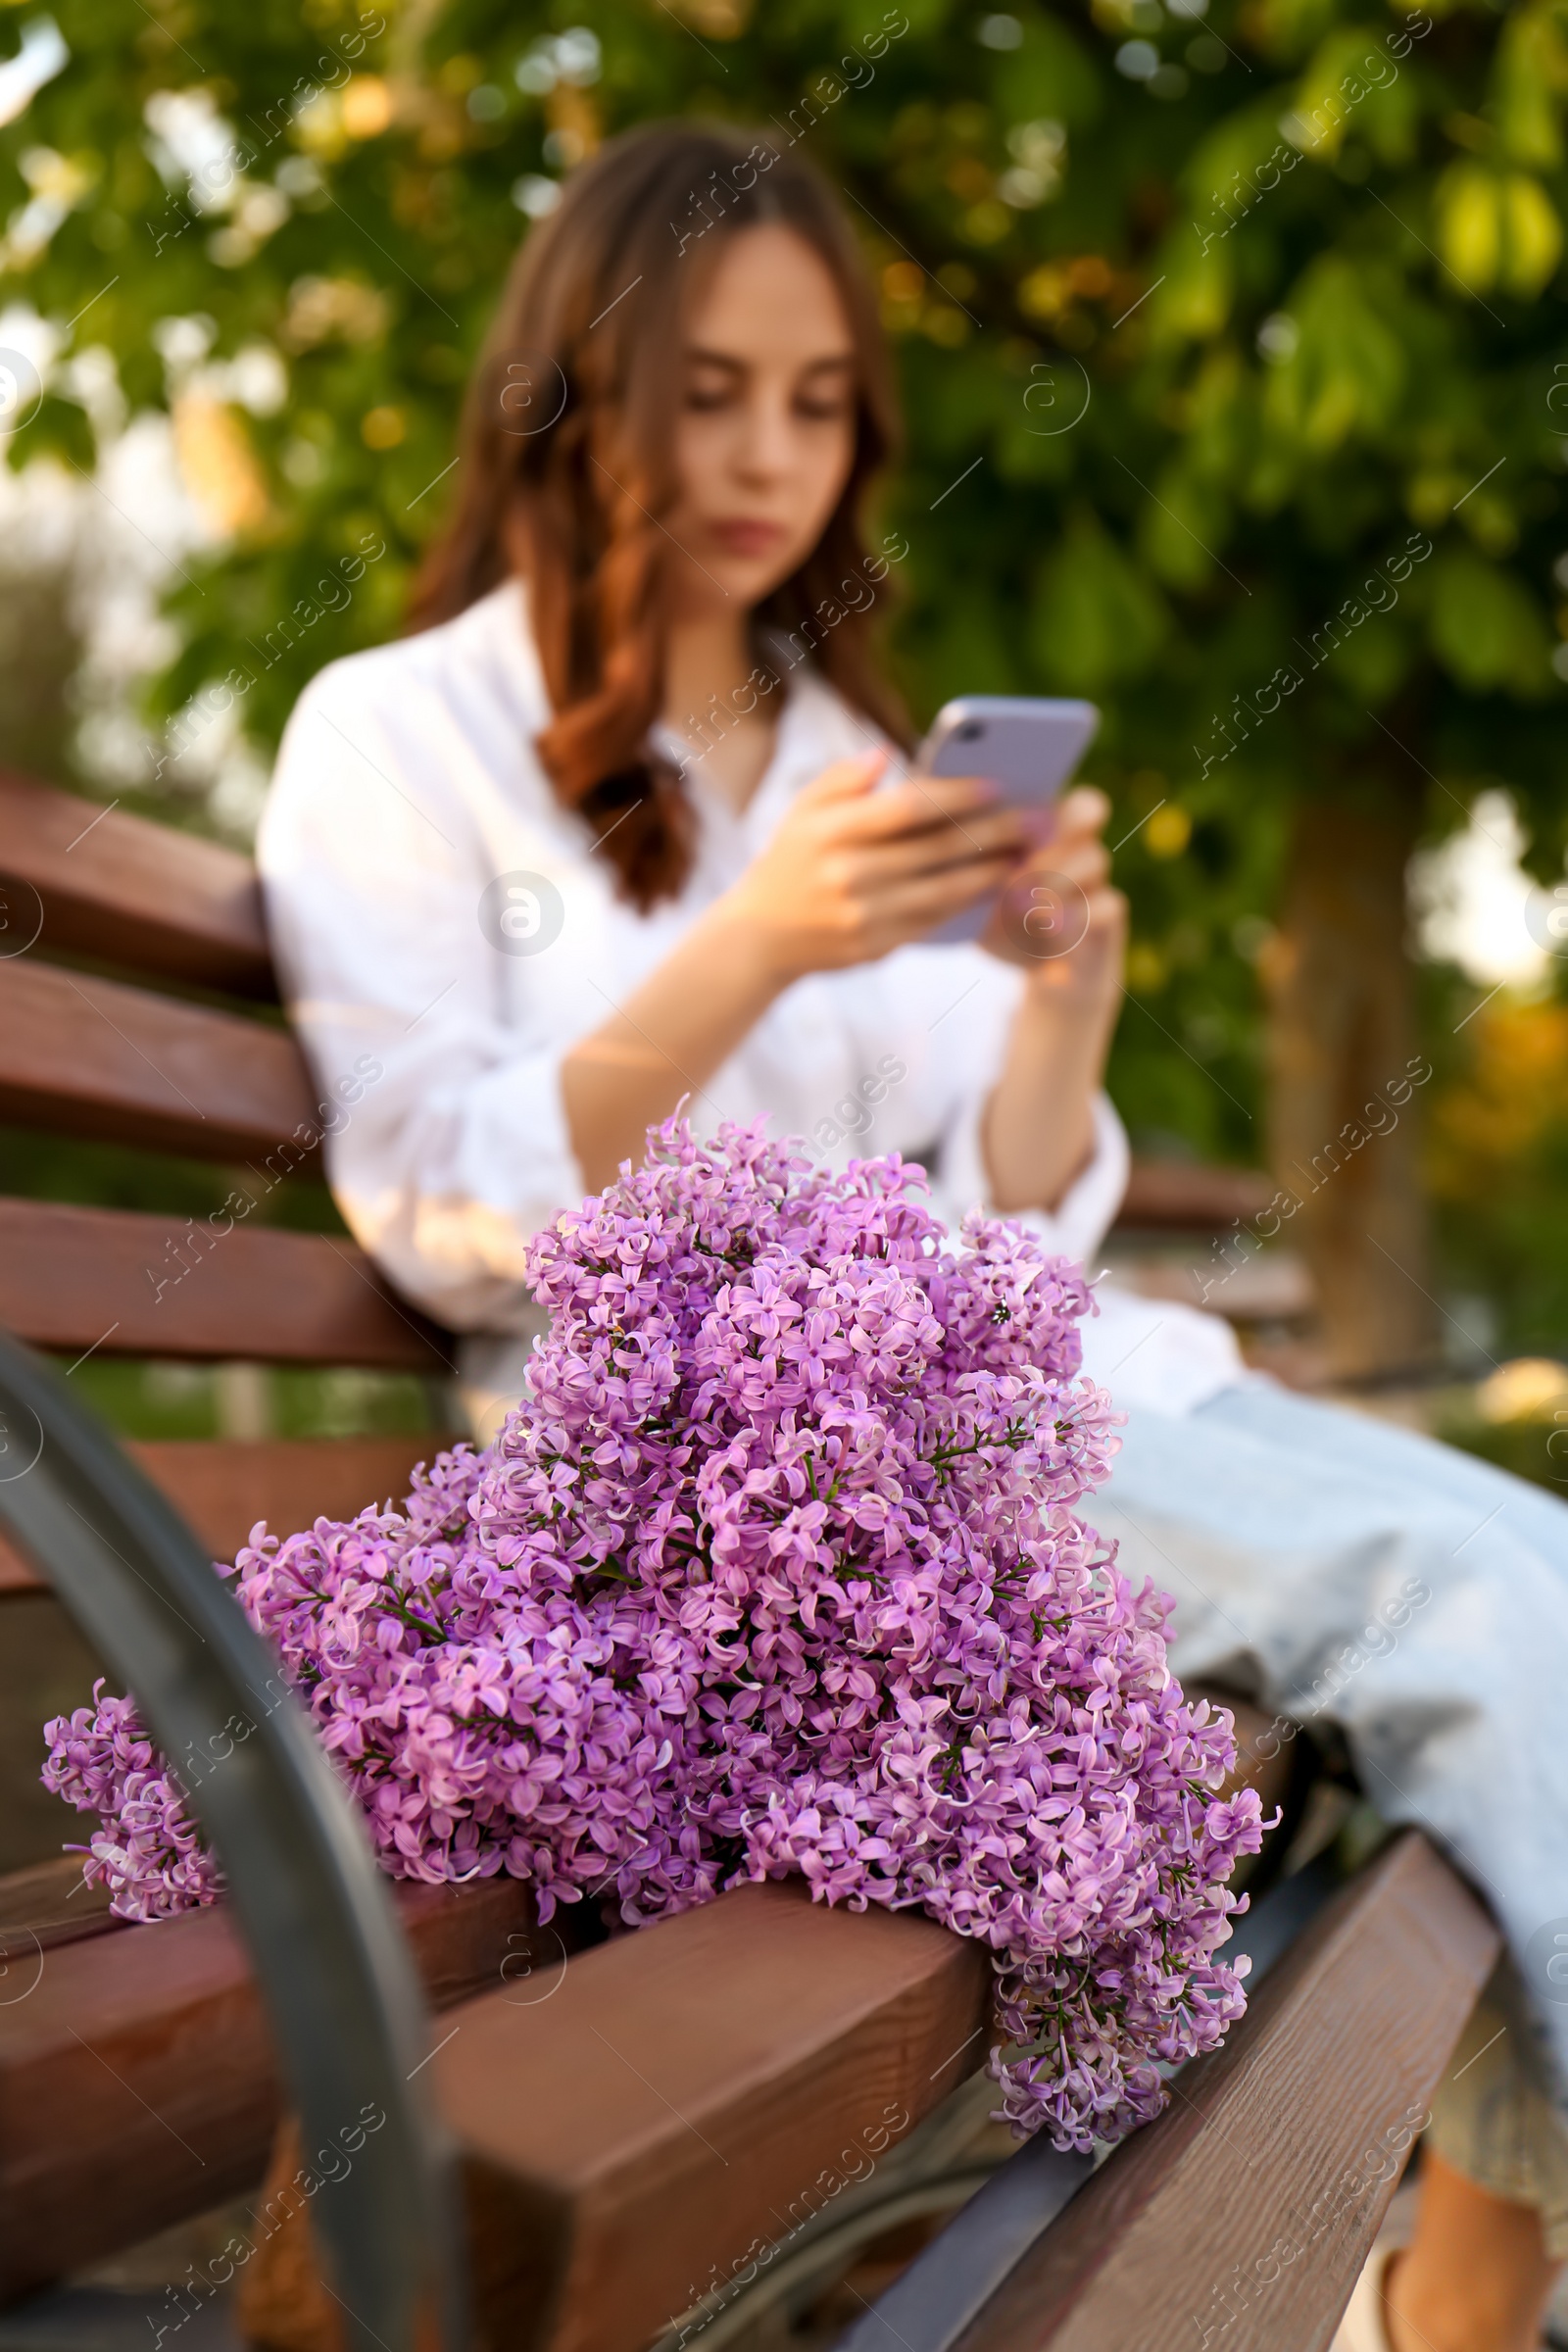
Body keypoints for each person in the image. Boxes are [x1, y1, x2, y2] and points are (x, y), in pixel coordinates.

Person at [258, 122, 1568, 2352]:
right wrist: (742, 954)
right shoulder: (397, 736)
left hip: (1012, 1393)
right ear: (576, 391)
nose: (771, 452)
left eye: (816, 397)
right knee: (1459, 1604)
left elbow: (1011, 1197)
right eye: (706, 390)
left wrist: (1062, 1004)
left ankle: (1458, 2300)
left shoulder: (838, 749)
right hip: (714, 1483)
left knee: (1534, 1576)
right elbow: (433, 1197)